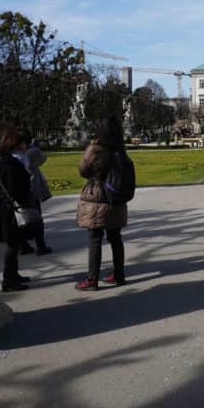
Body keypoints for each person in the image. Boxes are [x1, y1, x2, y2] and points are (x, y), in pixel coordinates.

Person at [75, 116, 129, 291]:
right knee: (115, 238)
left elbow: (83, 171)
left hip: (98, 198)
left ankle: (92, 280)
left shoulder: (97, 150)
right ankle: (119, 274)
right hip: (116, 198)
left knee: (95, 239)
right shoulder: (120, 150)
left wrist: (90, 147)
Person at [0, 128, 33, 292]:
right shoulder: (10, 163)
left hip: (11, 207)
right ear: (16, 145)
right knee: (12, 245)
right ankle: (8, 280)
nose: (26, 145)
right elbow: (13, 187)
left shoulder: (10, 160)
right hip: (12, 209)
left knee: (16, 244)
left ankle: (13, 274)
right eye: (23, 142)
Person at [16, 130, 53, 255]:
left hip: (19, 189)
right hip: (31, 186)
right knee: (36, 216)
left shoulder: (13, 155)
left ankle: (24, 242)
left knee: (21, 216)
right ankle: (40, 245)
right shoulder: (32, 151)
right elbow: (43, 159)